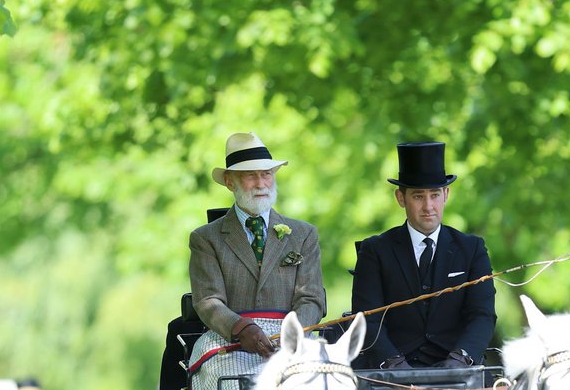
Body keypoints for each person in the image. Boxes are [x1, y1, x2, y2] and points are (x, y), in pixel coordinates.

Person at [351, 141, 496, 369]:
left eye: (435, 195)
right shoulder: (376, 250)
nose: (429, 206)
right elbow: (367, 319)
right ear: (401, 198)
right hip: (392, 377)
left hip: (458, 371)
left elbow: (483, 315)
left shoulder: (472, 249)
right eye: (418, 196)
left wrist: (461, 358)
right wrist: (393, 364)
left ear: (446, 194)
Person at [188, 131, 326, 359]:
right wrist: (242, 329)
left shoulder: (304, 234)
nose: (261, 183)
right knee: (234, 389)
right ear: (230, 182)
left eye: (267, 174)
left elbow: (311, 298)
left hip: (294, 341)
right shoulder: (206, 239)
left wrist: (292, 335)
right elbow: (207, 301)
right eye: (250, 176)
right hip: (229, 342)